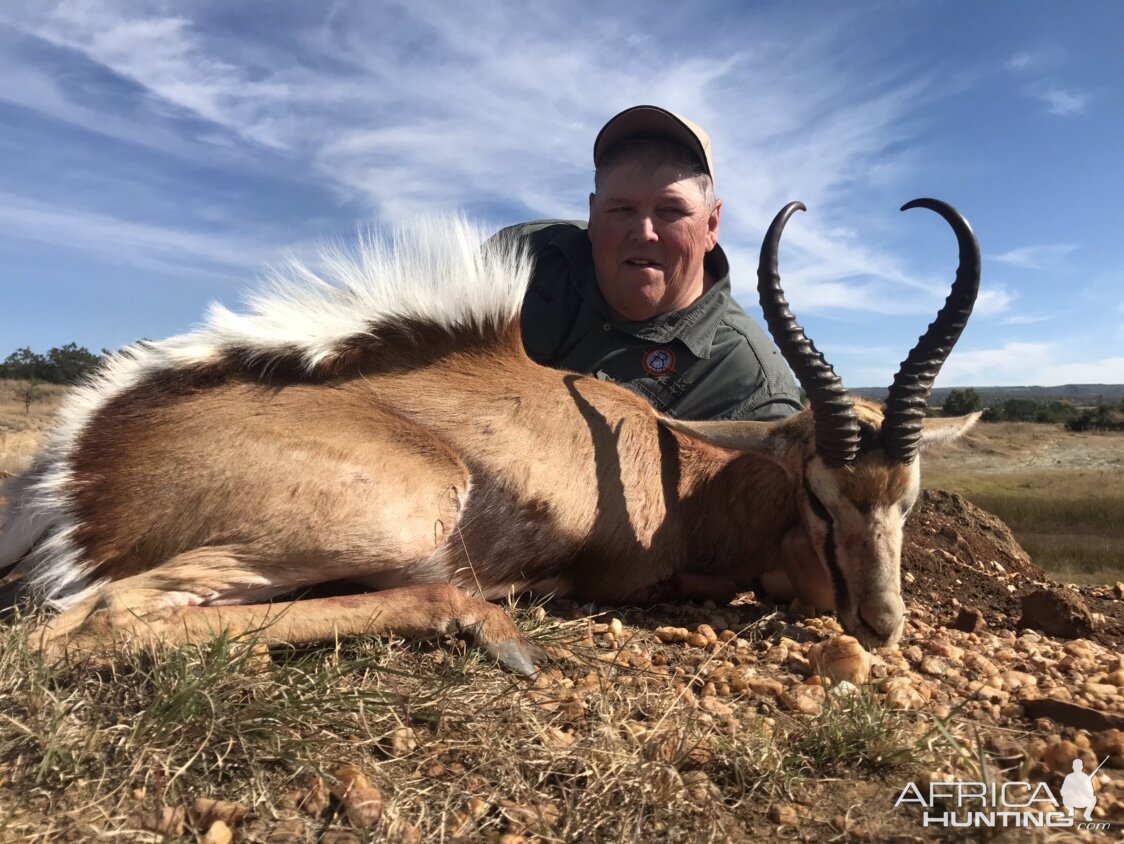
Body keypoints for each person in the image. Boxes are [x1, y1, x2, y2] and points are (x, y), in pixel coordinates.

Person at [496, 105, 802, 422]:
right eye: (621, 209)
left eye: (671, 210)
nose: (644, 233)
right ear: (593, 216)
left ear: (711, 225)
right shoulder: (518, 257)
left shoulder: (752, 391)